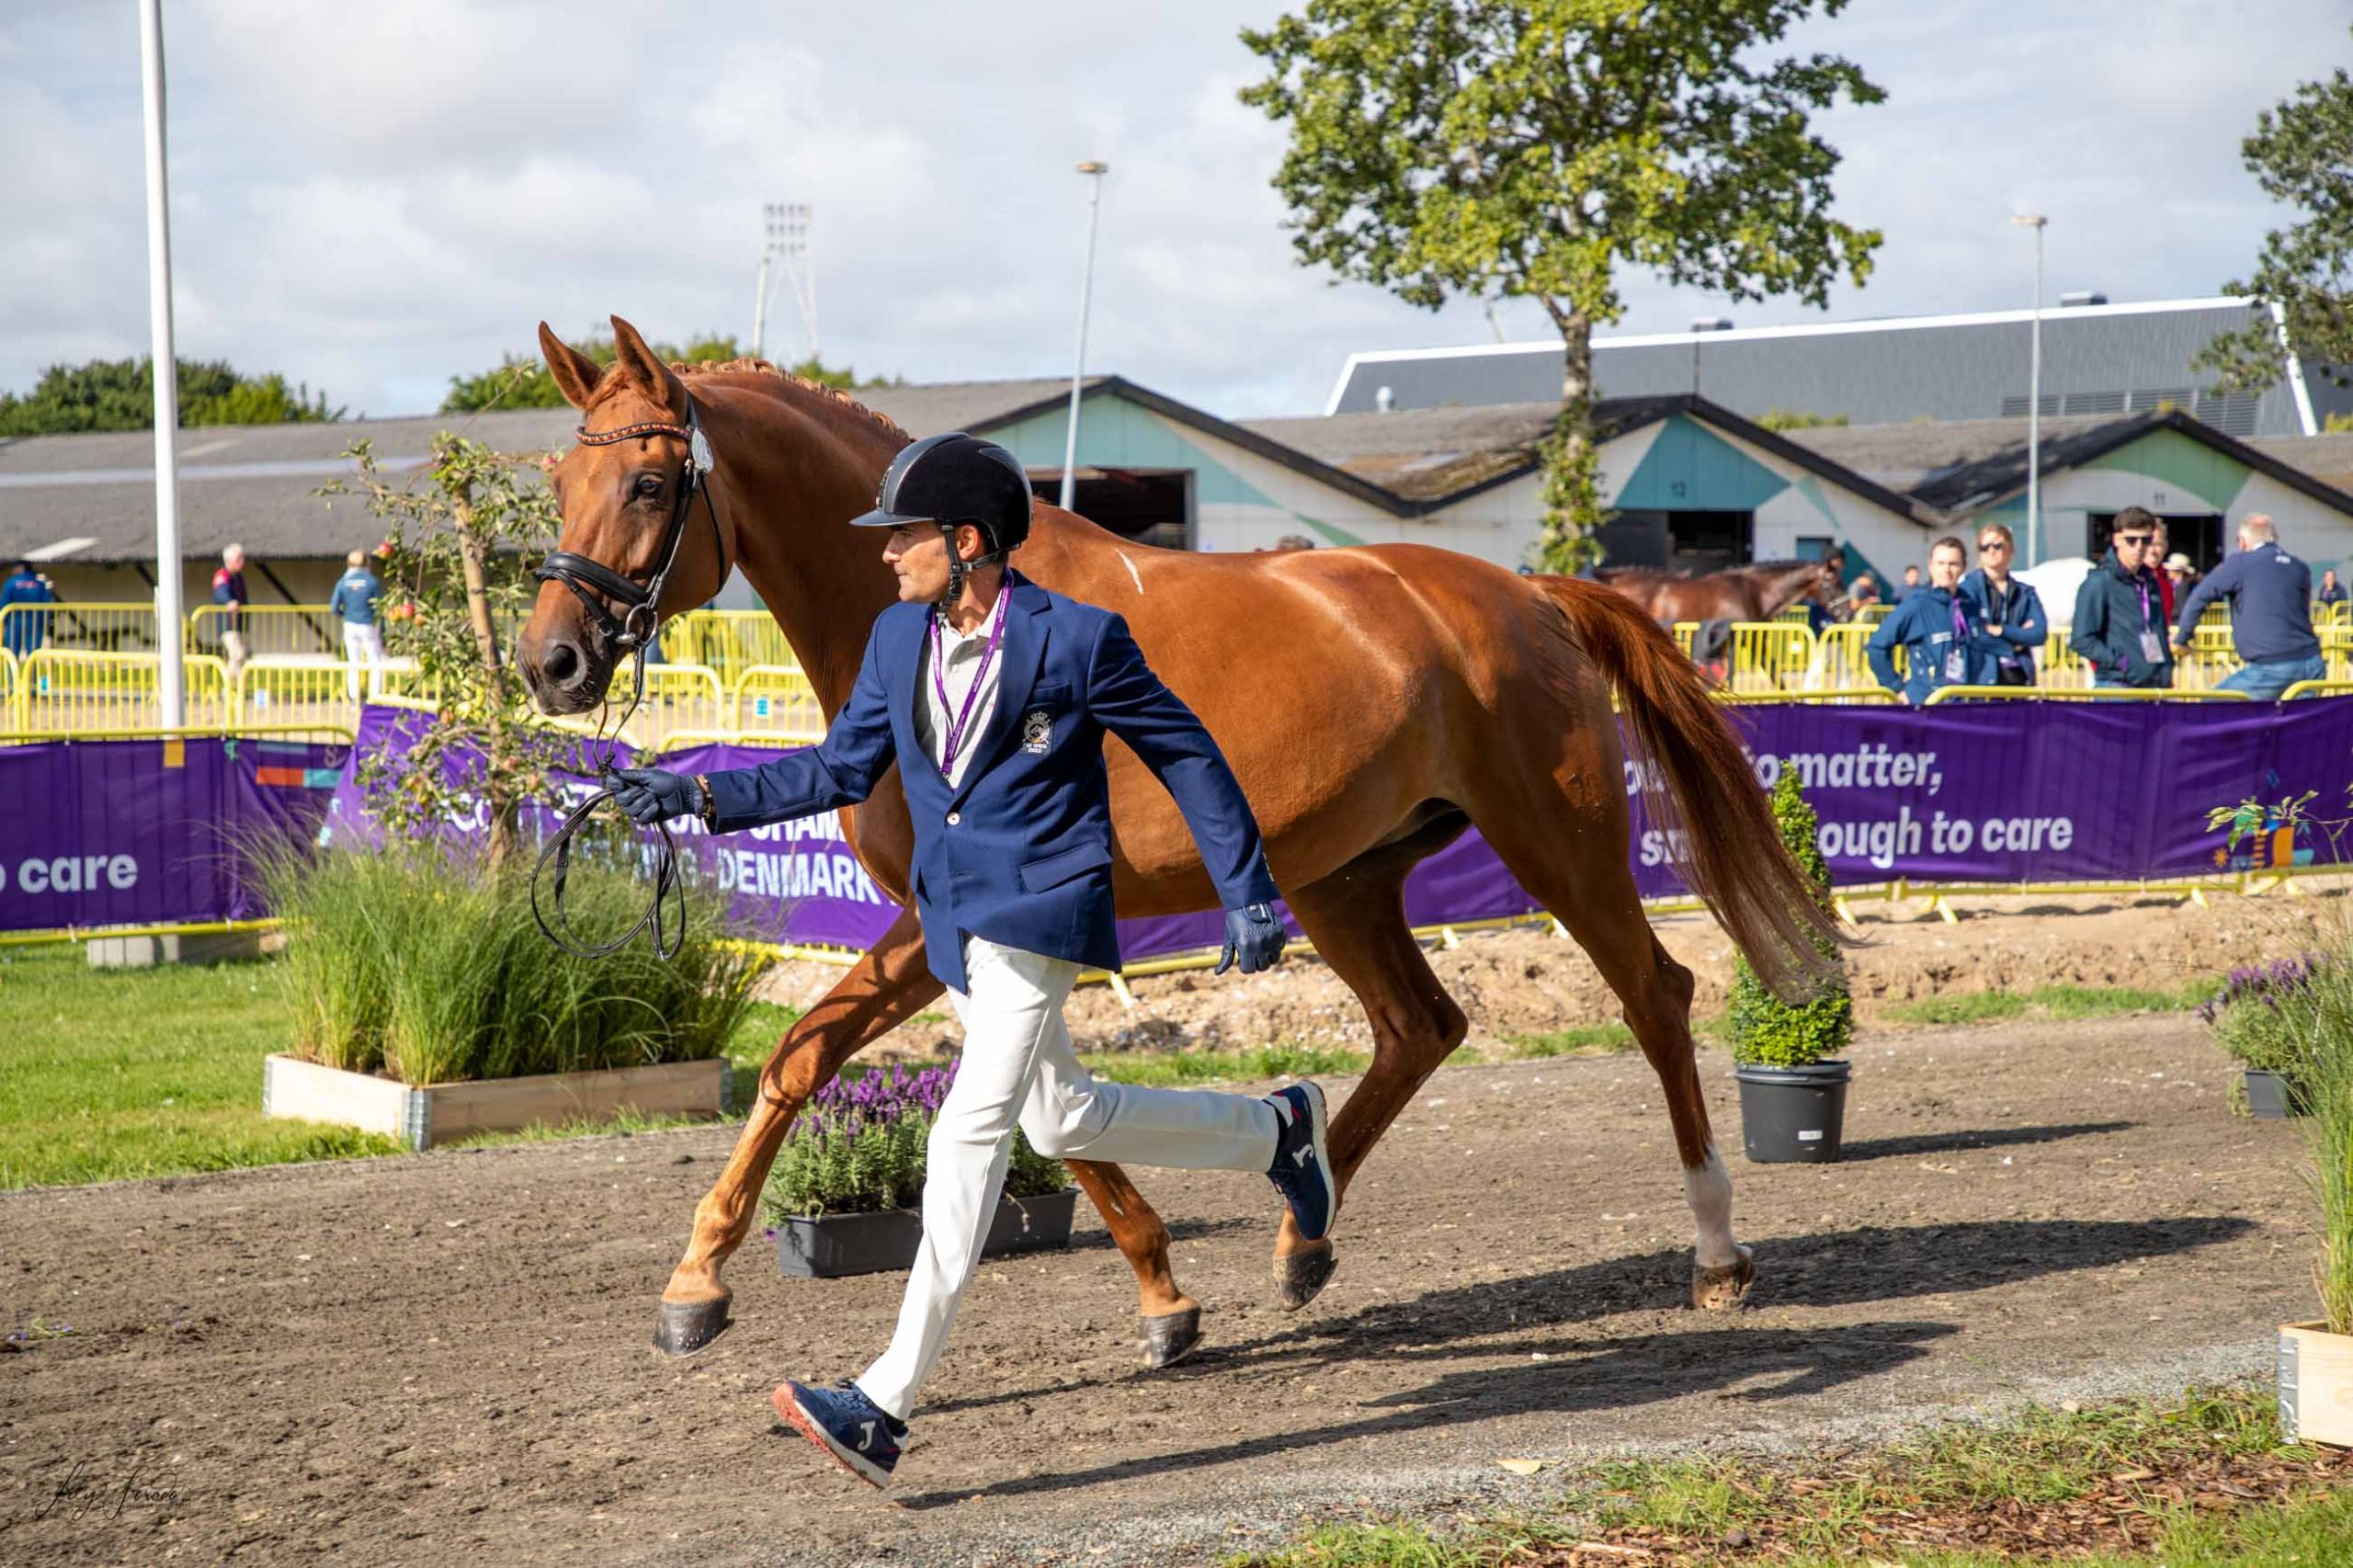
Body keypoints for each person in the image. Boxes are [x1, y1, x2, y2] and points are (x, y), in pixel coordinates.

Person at [606, 433, 1331, 1490]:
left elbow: (1184, 747)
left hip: (1039, 912)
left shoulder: (1078, 639)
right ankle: (1280, 1129)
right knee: (1061, 1117)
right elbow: (840, 766)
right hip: (953, 919)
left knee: (971, 1130)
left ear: (969, 541)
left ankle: (885, 1401)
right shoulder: (897, 638)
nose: (886, 553)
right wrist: (702, 794)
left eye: (903, 535)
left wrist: (1245, 882)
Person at [2171, 514, 2323, 701]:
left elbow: (2200, 596)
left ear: (2242, 542)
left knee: (2208, 709)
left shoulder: (2241, 563)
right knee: (2297, 727)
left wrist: (2182, 638)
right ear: (2274, 538)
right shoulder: (2299, 567)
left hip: (2272, 666)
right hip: (2313, 663)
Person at [1868, 536, 1984, 704]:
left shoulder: (1970, 606)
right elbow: (1876, 647)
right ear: (1930, 565)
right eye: (1941, 563)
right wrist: (1897, 689)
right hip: (1927, 705)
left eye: (1953, 564)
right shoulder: (1917, 606)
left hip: (1963, 704)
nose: (1946, 570)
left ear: (1963, 567)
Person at [2070, 506, 2173, 689]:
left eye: (2146, 540)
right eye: (2131, 540)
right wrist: (2122, 663)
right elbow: (2081, 640)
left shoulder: (2150, 582)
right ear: (2117, 540)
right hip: (2117, 686)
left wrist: (2165, 670)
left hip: (2154, 687)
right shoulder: (2099, 582)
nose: (2139, 547)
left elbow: (2158, 631)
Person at [1958, 523, 2047, 686]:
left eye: (1997, 545)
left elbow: (2039, 634)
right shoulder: (1968, 588)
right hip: (1981, 680)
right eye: (1984, 547)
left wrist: (2001, 630)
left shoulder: (2025, 592)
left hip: (2019, 680)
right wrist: (2015, 644)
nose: (1991, 551)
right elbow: (1976, 635)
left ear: (2011, 549)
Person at [329, 550, 386, 700]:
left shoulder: (342, 583)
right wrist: (384, 633)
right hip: (369, 624)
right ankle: (375, 697)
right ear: (367, 563)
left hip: (350, 625)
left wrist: (346, 616)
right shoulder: (372, 582)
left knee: (353, 662)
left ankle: (354, 698)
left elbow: (334, 607)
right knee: (375, 662)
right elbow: (380, 608)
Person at [1, 559, 58, 660]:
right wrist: (47, 620)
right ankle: (33, 675)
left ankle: (11, 675)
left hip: (14, 621)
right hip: (35, 622)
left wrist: (3, 620)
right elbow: (48, 604)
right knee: (33, 653)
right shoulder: (39, 584)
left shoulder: (11, 583)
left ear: (21, 568)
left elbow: (3, 603)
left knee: (11, 653)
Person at [212, 544, 250, 684]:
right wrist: (229, 601)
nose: (242, 561)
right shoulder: (222, 576)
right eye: (239, 558)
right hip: (228, 625)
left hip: (239, 624)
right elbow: (220, 591)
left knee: (243, 657)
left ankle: (238, 688)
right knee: (237, 654)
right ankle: (228, 688)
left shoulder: (238, 577)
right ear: (229, 560)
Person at [2145, 520, 2178, 630]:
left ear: (2165, 546)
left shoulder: (2165, 581)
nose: (2152, 550)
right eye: (2148, 543)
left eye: (2157, 544)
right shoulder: (2124, 580)